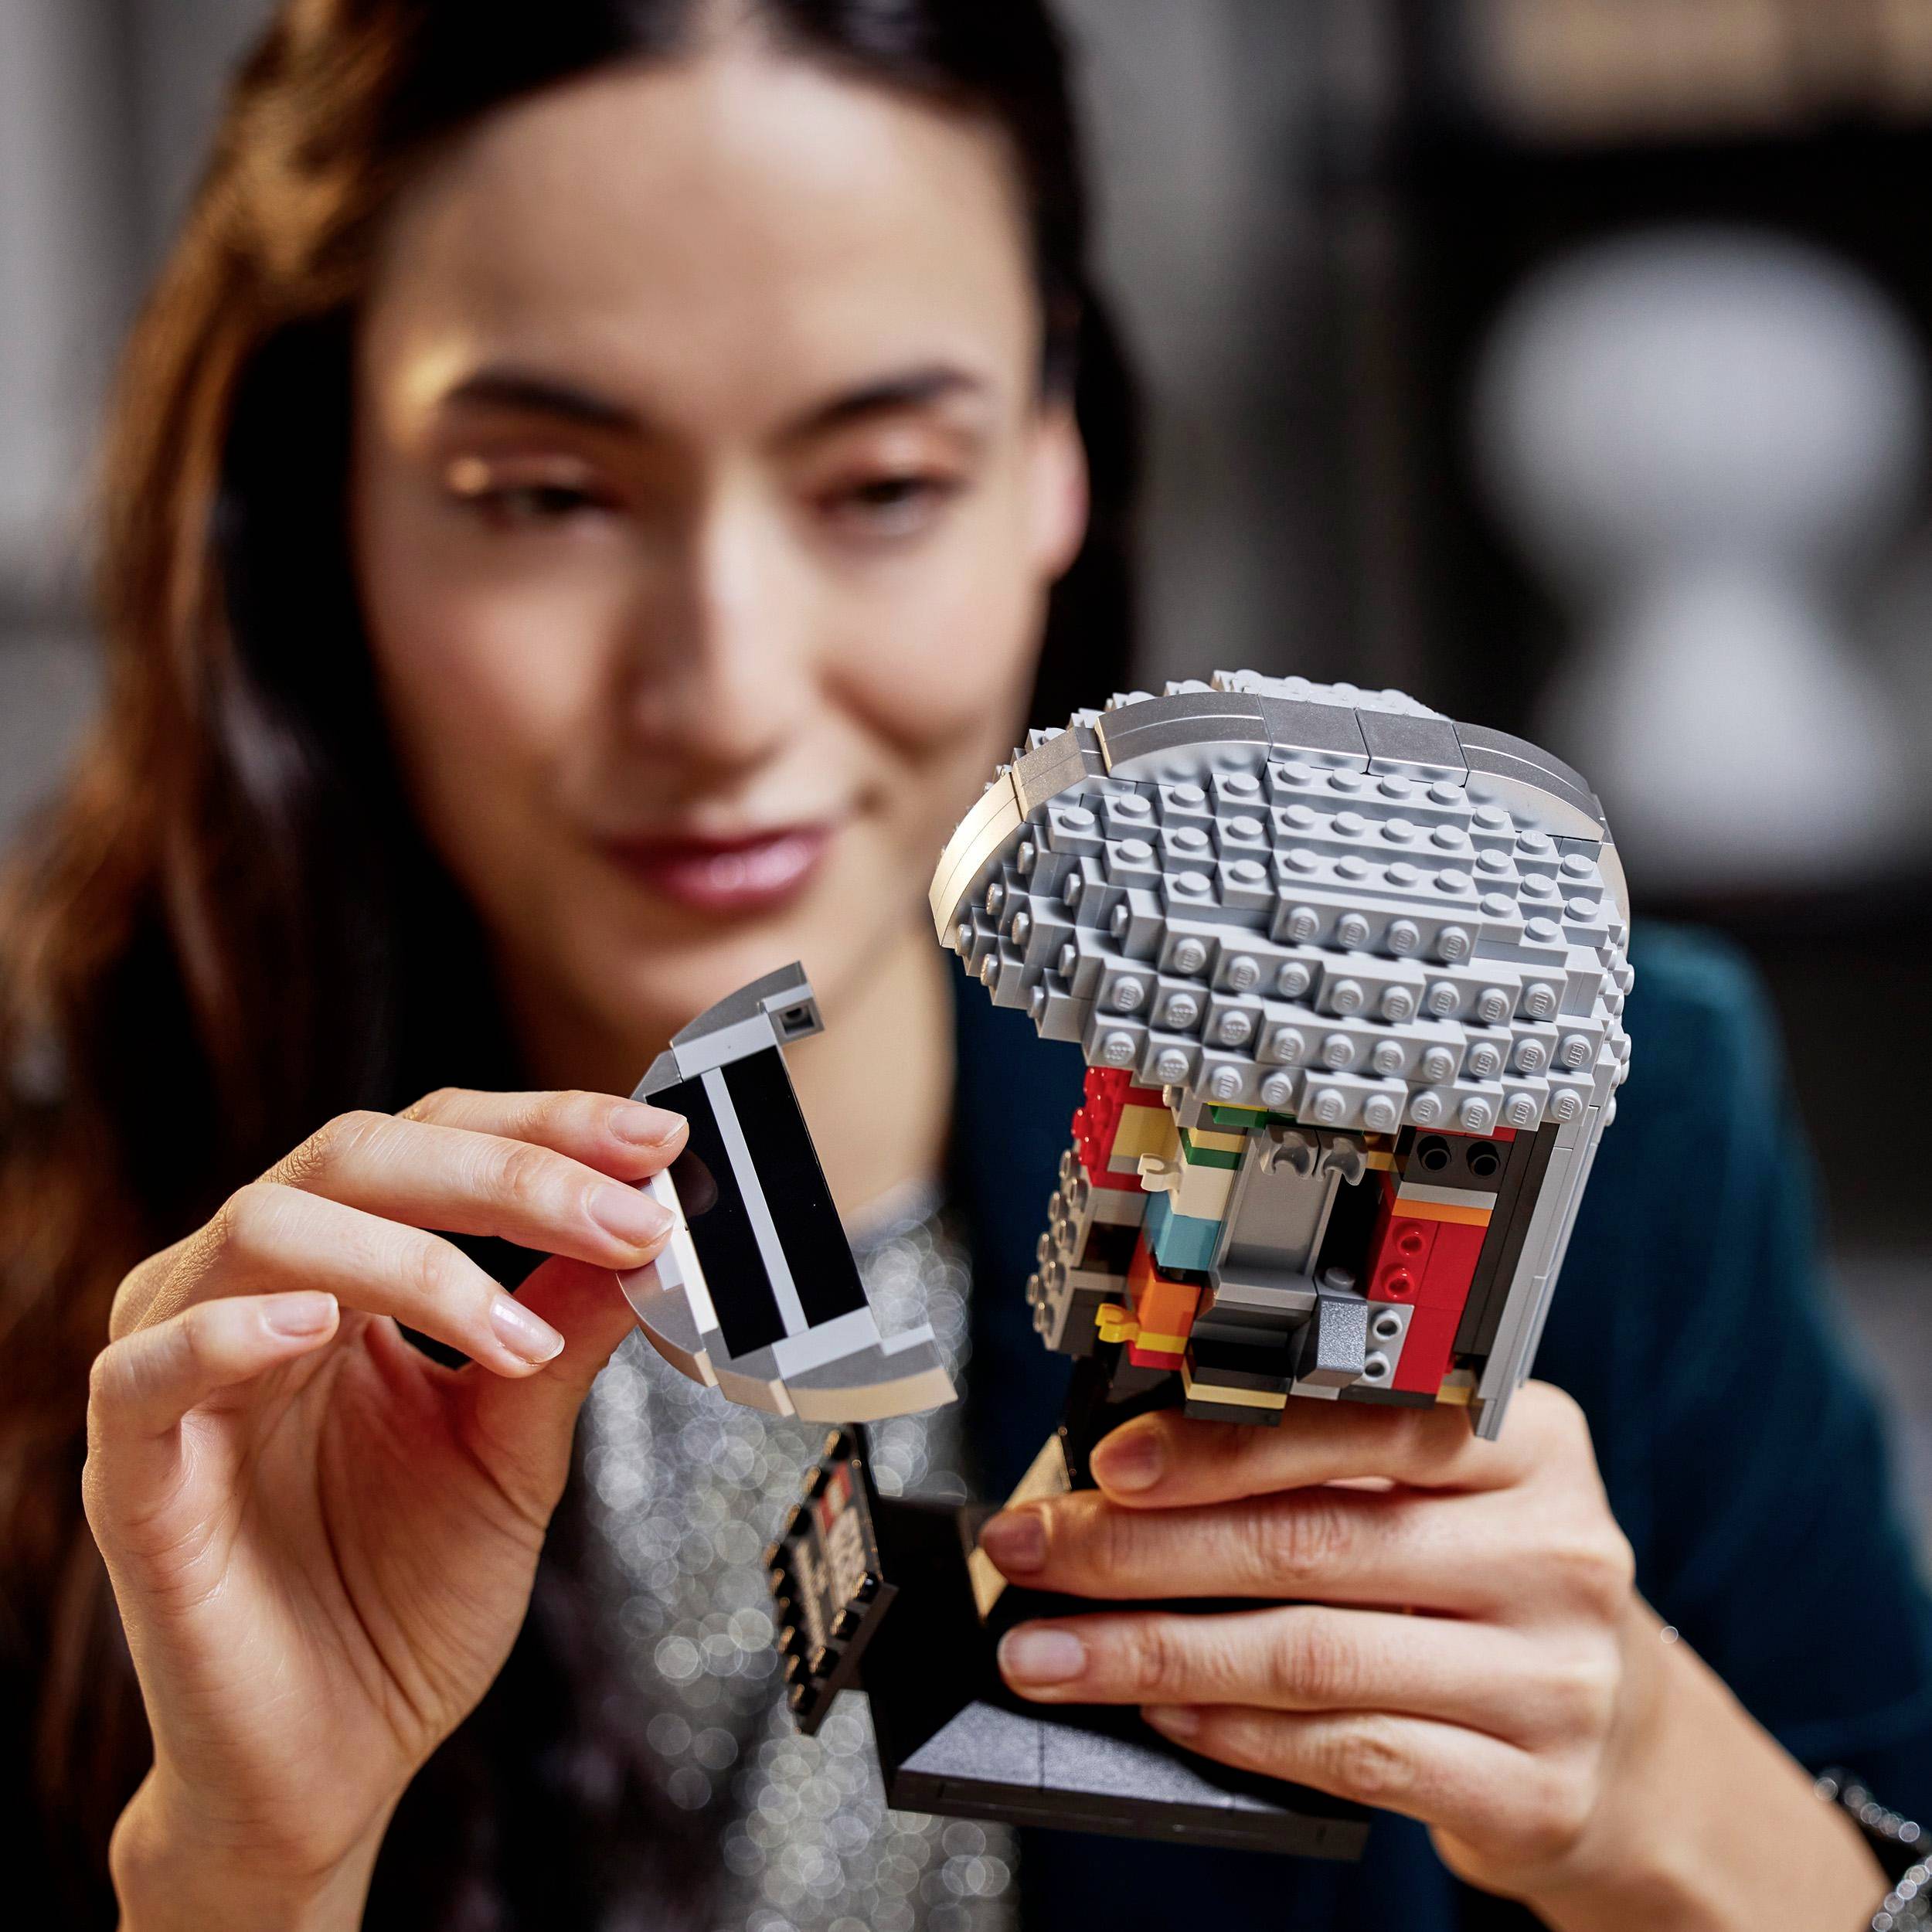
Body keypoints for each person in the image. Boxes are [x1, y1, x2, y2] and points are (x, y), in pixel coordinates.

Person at [1, 2, 1927, 1927]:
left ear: (1051, 459)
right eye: (547, 498)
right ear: (320, 505)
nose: (726, 693)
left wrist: (1660, 1792)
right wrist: (246, 1870)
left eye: (881, 484)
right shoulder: (103, 1313)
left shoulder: (1585, 1133)